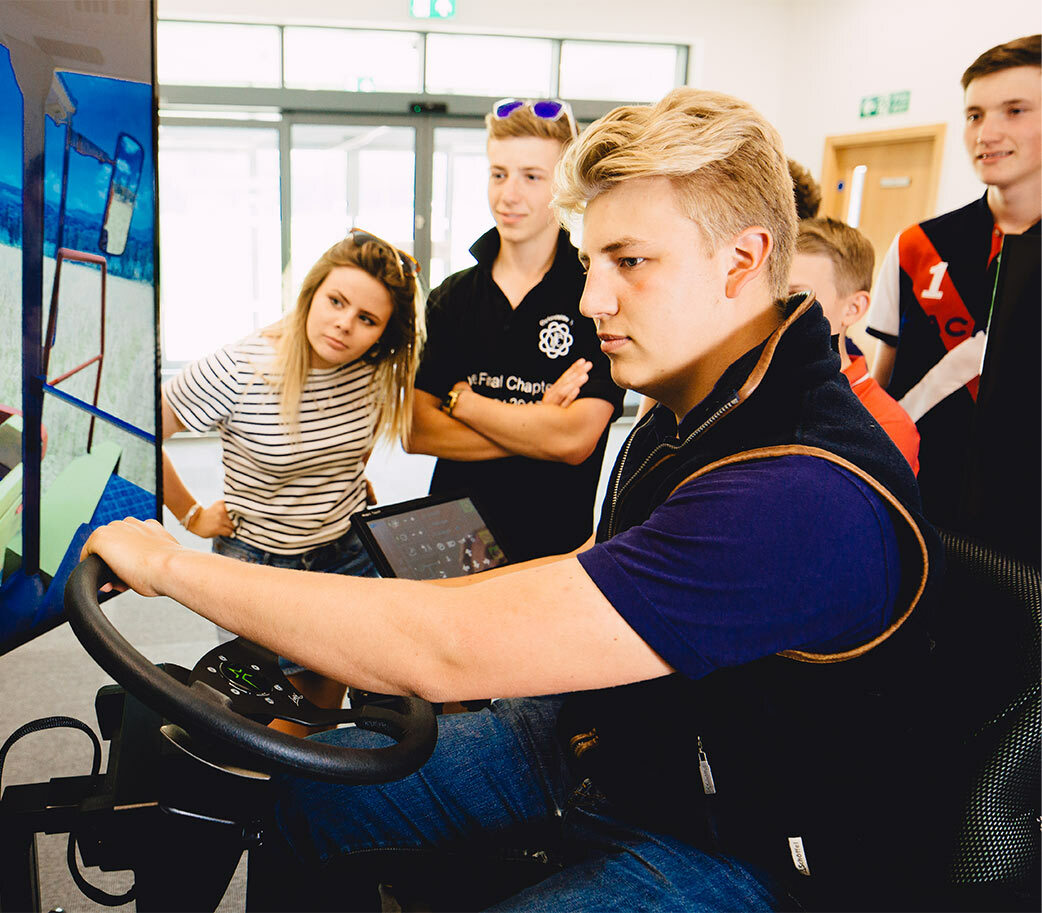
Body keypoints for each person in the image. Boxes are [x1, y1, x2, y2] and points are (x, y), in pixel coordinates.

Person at [84, 88, 940, 910]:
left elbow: (449, 651)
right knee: (304, 793)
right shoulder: (690, 408)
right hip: (615, 744)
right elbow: (576, 570)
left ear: (744, 259)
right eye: (594, 259)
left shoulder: (797, 492)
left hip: (741, 845)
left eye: (630, 262)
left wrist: (168, 565)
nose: (594, 297)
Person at [159, 229, 423, 723]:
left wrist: (342, 481)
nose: (344, 325)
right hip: (260, 563)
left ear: (383, 333)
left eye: (366, 319)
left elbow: (355, 441)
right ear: (311, 292)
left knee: (350, 693)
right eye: (336, 301)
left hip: (347, 553)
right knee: (285, 721)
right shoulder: (240, 367)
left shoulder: (371, 368)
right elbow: (144, 429)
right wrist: (190, 514)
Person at [404, 98, 624, 562]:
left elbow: (572, 441)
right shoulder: (451, 296)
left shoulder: (596, 295)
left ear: (564, 185)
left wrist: (464, 402)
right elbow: (417, 431)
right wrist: (536, 424)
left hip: (549, 543)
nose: (509, 194)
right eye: (498, 173)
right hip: (450, 535)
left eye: (531, 176)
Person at [865, 35, 1040, 545]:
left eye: (1015, 110)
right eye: (974, 115)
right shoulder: (919, 246)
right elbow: (885, 378)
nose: (987, 132)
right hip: (920, 514)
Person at [789, 216, 920, 470]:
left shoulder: (886, 425)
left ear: (853, 308)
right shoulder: (746, 389)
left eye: (797, 295)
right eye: (771, 293)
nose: (777, 309)